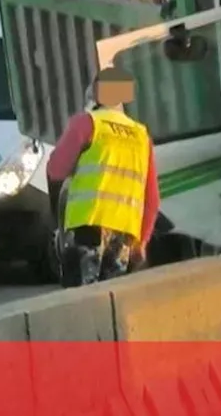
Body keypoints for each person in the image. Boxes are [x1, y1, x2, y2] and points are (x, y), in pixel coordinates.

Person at [46, 66, 160, 287]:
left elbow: (55, 169)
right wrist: (141, 242)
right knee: (110, 302)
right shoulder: (141, 135)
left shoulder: (88, 123)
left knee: (80, 302)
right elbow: (152, 200)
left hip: (88, 228)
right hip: (125, 235)